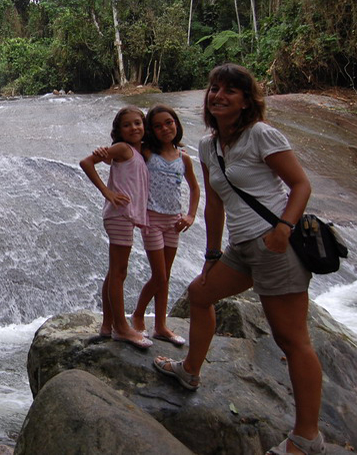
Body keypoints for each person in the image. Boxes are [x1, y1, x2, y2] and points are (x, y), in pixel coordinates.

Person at [153, 64, 324, 455]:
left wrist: (283, 228)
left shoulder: (261, 134)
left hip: (274, 246)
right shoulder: (208, 146)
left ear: (247, 100)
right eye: (214, 88)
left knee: (292, 339)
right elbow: (214, 203)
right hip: (240, 248)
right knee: (200, 293)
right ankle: (190, 371)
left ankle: (307, 437)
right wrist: (212, 253)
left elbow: (301, 184)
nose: (218, 95)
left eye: (231, 90)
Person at [80, 106, 153, 349]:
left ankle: (107, 325)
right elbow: (86, 162)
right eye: (127, 125)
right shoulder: (123, 148)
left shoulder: (137, 151)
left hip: (124, 215)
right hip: (119, 214)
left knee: (114, 272)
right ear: (119, 131)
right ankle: (121, 328)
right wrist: (107, 191)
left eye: (138, 123)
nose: (134, 128)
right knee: (119, 272)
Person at [130, 105, 200, 345]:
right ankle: (138, 315)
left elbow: (194, 187)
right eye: (158, 126)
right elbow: (125, 150)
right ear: (151, 130)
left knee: (165, 275)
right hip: (152, 219)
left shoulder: (184, 158)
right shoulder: (147, 152)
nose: (165, 129)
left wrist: (190, 215)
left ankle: (161, 325)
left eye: (168, 122)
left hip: (173, 221)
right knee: (159, 275)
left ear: (176, 124)